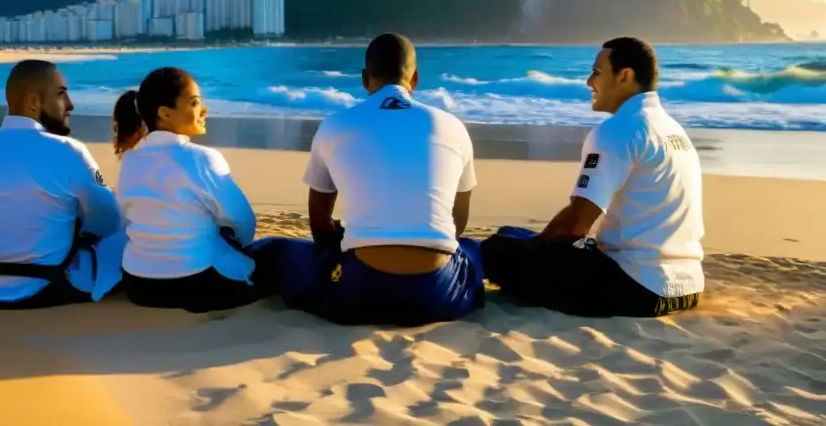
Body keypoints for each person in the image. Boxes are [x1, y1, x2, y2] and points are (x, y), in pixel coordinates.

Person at [257, 33, 485, 327]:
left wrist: (334, 247)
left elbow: (319, 221)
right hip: (437, 294)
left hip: (361, 292)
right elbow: (458, 218)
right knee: (473, 249)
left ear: (365, 78)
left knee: (280, 252)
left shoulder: (335, 126)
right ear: (414, 79)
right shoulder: (452, 126)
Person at [480, 37, 705, 318]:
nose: (589, 82)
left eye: (597, 72)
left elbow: (577, 225)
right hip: (688, 287)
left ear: (624, 76)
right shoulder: (674, 131)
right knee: (516, 237)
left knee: (497, 249)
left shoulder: (618, 129)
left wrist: (532, 250)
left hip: (637, 287)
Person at [0, 60, 126, 309]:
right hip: (43, 288)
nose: (70, 104)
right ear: (33, 102)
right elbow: (108, 220)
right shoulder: (68, 150)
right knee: (129, 226)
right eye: (61, 94)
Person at [113, 66, 268, 313]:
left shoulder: (131, 160)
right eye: (195, 102)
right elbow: (243, 223)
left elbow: (125, 217)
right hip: (194, 284)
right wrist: (232, 244)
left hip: (139, 285)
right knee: (274, 253)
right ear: (164, 113)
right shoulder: (201, 158)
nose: (204, 110)